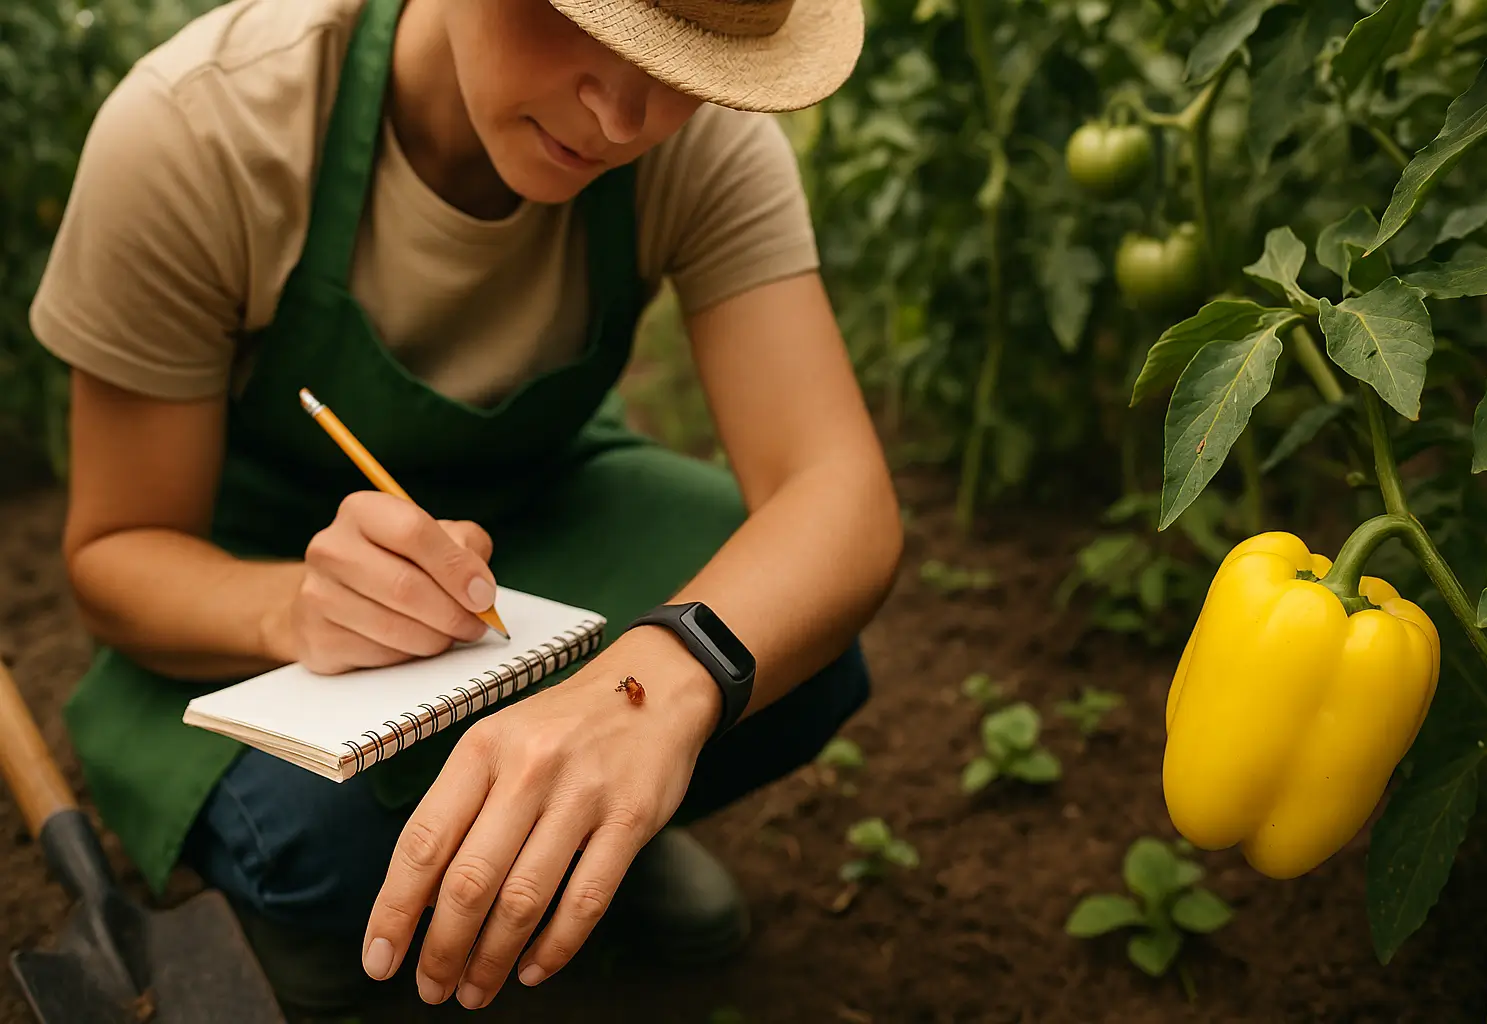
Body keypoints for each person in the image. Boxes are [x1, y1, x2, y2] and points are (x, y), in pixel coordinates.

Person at [29, 0, 902, 1013]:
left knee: (786, 646)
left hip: (528, 535)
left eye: (686, 61)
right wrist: (294, 610)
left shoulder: (704, 145)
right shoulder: (203, 132)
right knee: (329, 835)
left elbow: (835, 493)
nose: (622, 115)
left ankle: (588, 841)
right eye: (585, 22)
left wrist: (655, 690)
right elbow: (117, 551)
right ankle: (364, 895)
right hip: (246, 621)